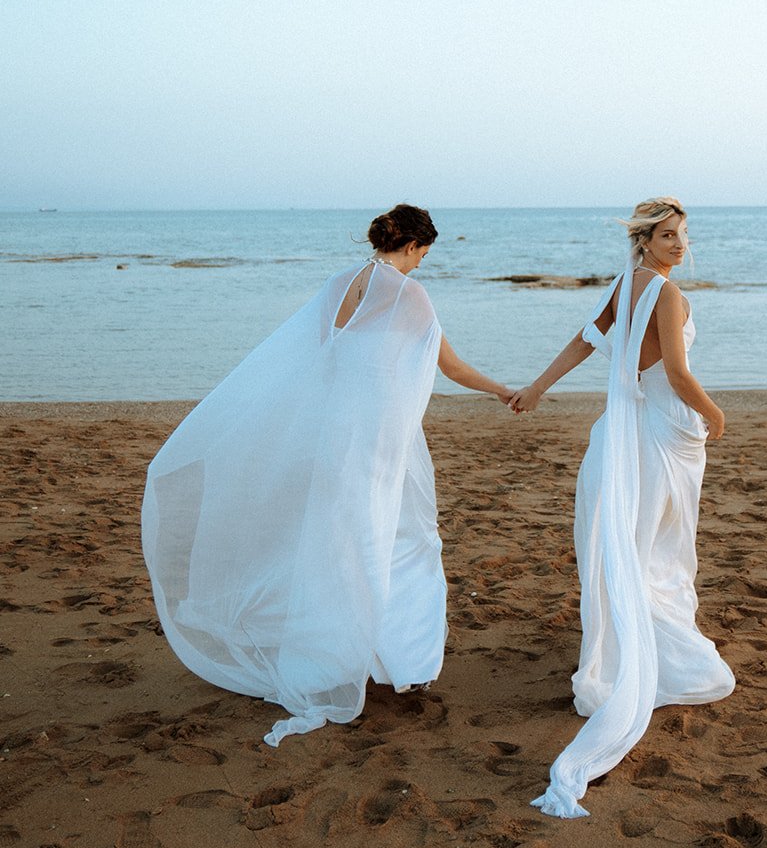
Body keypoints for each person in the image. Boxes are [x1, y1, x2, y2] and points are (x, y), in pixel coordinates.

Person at [142, 204, 512, 746]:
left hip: (336, 436)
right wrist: (503, 390)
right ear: (412, 246)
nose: (421, 266)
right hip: (380, 439)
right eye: (424, 256)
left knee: (337, 540)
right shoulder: (409, 295)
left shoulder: (340, 284)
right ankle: (400, 662)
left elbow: (322, 359)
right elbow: (448, 365)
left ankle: (333, 658)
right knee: (401, 538)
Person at [509, 196, 735, 817]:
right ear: (643, 241)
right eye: (667, 236)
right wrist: (716, 414)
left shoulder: (623, 285)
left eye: (683, 234)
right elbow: (680, 374)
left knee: (634, 542)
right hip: (663, 431)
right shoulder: (663, 293)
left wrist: (537, 387)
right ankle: (657, 656)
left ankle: (617, 651)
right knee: (659, 544)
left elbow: (585, 341)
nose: (679, 244)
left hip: (622, 431)